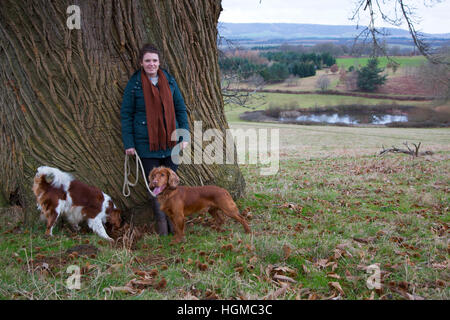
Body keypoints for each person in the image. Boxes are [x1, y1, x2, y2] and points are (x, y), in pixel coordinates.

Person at [120, 43, 189, 236]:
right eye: (148, 60)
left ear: (159, 62)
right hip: (146, 145)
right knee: (155, 188)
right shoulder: (134, 85)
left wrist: (184, 134)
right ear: (141, 63)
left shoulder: (169, 81)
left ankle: (176, 226)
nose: (151, 64)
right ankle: (163, 230)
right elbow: (126, 114)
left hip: (171, 143)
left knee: (172, 186)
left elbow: (180, 109)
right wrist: (129, 143)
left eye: (155, 60)